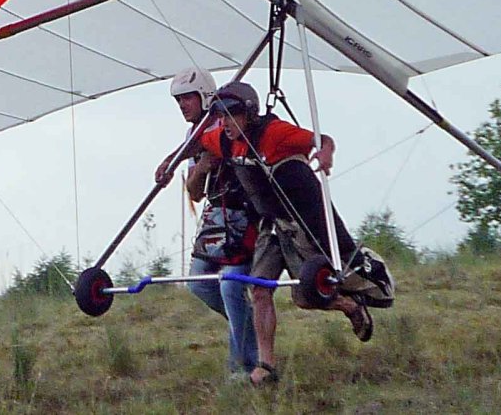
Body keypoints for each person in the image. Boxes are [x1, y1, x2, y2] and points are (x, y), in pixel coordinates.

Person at [196, 81, 394, 387]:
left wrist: (325, 155)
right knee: (259, 289)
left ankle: (351, 306)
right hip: (269, 224)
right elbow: (197, 142)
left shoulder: (276, 134)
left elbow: (322, 140)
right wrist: (172, 161)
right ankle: (266, 366)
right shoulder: (224, 138)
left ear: (248, 113)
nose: (226, 124)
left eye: (232, 115)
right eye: (221, 118)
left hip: (301, 223)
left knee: (305, 296)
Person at [155, 67, 259, 376]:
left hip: (248, 215)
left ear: (204, 96)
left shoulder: (229, 121)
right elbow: (195, 192)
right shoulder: (193, 136)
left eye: (187, 98)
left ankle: (244, 368)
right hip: (218, 217)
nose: (183, 106)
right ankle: (249, 326)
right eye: (178, 101)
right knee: (199, 283)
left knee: (230, 286)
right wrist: (200, 166)